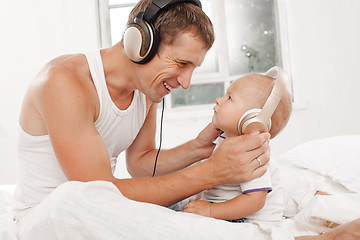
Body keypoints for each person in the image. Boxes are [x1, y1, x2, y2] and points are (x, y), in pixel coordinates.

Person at [13, 0, 360, 239]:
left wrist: (199, 149)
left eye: (193, 69)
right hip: (50, 218)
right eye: (182, 64)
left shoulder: (145, 91)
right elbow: (97, 191)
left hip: (98, 206)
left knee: (177, 203)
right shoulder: (64, 82)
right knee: (73, 198)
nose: (185, 82)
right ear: (141, 43)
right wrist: (210, 173)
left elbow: (141, 164)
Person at [182, 70, 292, 224]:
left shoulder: (254, 153)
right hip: (225, 212)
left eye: (229, 98)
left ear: (253, 119)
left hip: (247, 222)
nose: (219, 100)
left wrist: (210, 210)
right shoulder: (226, 140)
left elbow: (254, 201)